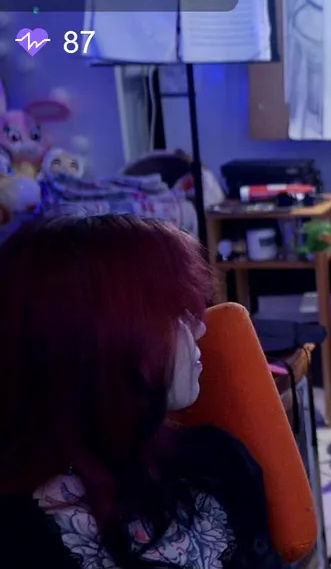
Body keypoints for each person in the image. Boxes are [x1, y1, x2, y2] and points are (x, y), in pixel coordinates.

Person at [0, 215, 288, 569]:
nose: (200, 328)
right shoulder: (18, 534)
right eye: (175, 314)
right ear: (100, 343)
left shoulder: (220, 461)